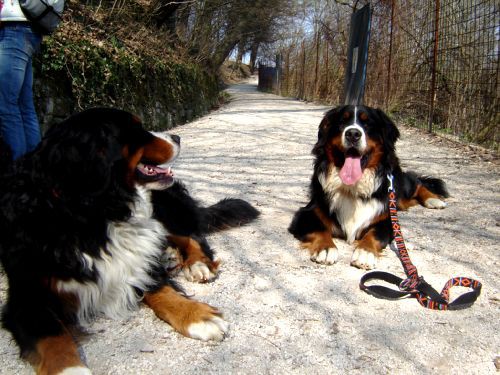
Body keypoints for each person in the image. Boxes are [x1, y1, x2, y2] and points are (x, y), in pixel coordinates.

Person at [0, 0, 43, 160]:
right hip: (27, 27)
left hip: (13, 27)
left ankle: (17, 169)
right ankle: (34, 166)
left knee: (5, 104)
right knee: (24, 105)